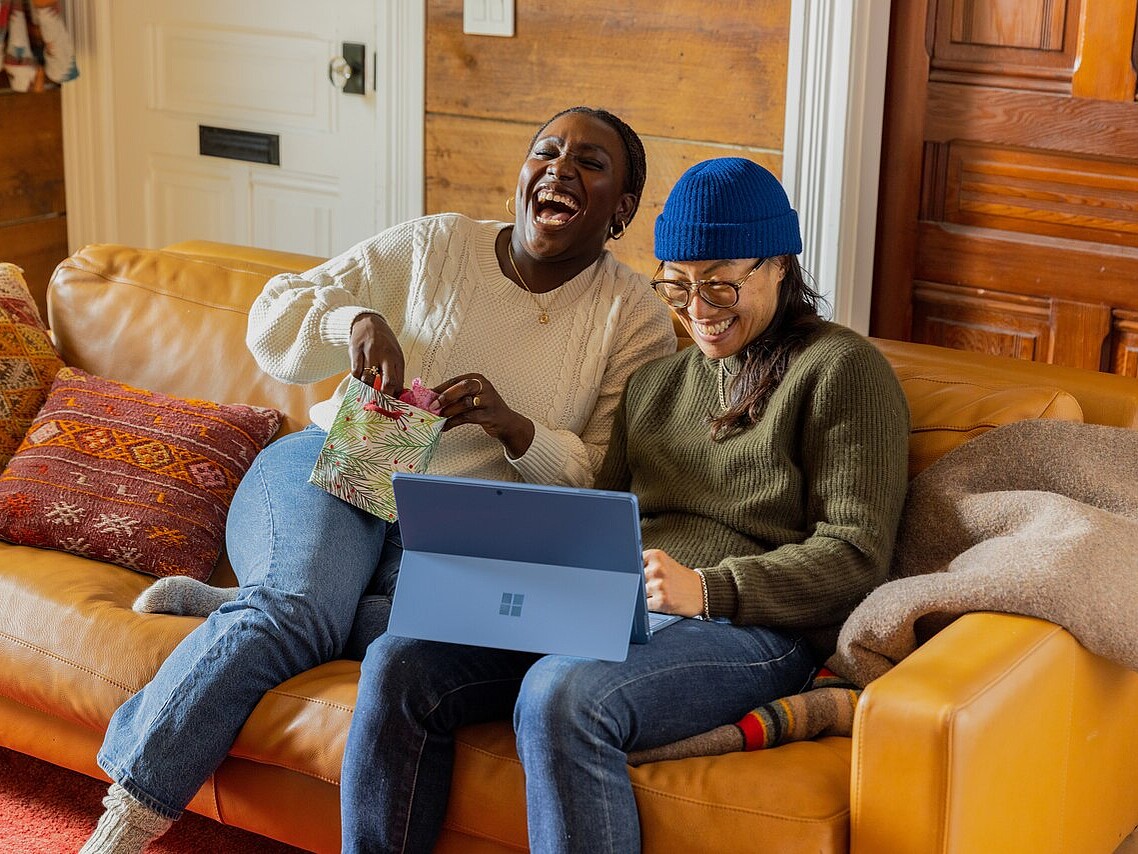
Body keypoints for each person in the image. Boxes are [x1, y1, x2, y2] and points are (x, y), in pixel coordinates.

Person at [79, 106, 676, 854]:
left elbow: (599, 475)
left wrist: (515, 428)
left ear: (620, 209)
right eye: (546, 152)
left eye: (590, 163)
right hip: (339, 461)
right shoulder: (437, 245)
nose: (560, 169)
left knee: (431, 629)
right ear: (523, 175)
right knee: (299, 609)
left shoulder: (637, 319)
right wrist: (355, 323)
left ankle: (244, 605)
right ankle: (125, 821)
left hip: (462, 526)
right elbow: (274, 317)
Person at [340, 157, 911, 853]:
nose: (698, 311)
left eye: (721, 286)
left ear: (780, 266)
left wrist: (709, 589)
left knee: (562, 695)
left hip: (753, 627)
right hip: (620, 607)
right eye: (679, 286)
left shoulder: (843, 370)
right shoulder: (655, 386)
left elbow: (856, 554)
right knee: (401, 657)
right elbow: (600, 520)